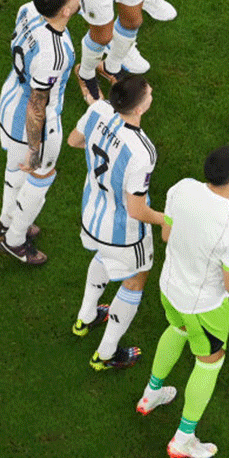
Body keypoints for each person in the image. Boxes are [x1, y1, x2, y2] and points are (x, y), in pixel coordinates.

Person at [136, 146, 229, 458]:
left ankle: (151, 394)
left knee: (177, 328)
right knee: (209, 363)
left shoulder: (182, 188)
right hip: (204, 307)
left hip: (168, 288)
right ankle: (183, 439)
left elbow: (168, 234)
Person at [67, 74, 163, 370]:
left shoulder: (99, 110)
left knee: (102, 258)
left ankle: (86, 317)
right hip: (123, 233)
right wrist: (167, 219)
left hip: (90, 216)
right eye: (148, 94)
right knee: (136, 278)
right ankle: (105, 354)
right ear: (138, 109)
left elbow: (74, 141)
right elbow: (136, 210)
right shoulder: (142, 152)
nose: (151, 95)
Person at [0, 0, 80, 265]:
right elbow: (37, 104)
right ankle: (15, 240)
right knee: (40, 176)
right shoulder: (52, 54)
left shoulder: (28, 10)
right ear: (65, 11)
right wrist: (35, 148)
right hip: (32, 120)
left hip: (9, 98)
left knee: (14, 167)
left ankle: (7, 219)